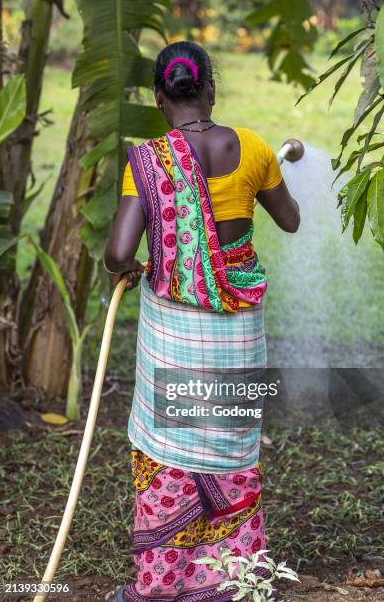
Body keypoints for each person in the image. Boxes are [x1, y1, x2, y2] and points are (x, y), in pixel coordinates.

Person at [104, 41, 300, 602]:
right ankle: (230, 583)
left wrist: (131, 267)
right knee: (230, 451)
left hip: (173, 340)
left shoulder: (146, 162)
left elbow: (119, 252)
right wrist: (268, 180)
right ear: (211, 89)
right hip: (237, 339)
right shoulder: (257, 149)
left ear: (160, 99)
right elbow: (289, 221)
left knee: (168, 453)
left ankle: (162, 586)